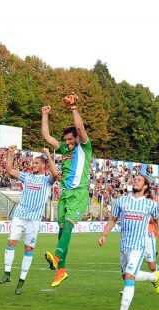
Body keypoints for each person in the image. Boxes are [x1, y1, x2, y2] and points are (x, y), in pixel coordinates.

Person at [41, 96, 93, 287]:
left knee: (68, 226)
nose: (68, 143)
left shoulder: (85, 148)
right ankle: (61, 271)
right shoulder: (64, 149)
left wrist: (73, 107)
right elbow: (47, 137)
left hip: (78, 193)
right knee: (62, 231)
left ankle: (56, 258)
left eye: (71, 139)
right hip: (64, 193)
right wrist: (45, 115)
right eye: (66, 140)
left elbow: (80, 128)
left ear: (78, 138)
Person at [98, 174, 159, 310]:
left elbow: (156, 219)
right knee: (127, 276)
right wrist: (104, 235)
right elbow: (113, 219)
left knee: (129, 277)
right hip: (124, 245)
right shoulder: (121, 201)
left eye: (139, 180)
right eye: (134, 179)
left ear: (145, 186)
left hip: (138, 246)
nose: (135, 181)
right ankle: (153, 277)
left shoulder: (150, 204)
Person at [1, 146, 59, 295]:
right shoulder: (27, 176)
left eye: (36, 163)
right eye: (32, 163)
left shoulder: (47, 180)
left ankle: (21, 281)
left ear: (44, 166)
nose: (33, 165)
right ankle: (7, 273)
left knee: (28, 249)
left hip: (34, 220)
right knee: (11, 242)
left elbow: (56, 174)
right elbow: (9, 170)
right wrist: (10, 154)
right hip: (20, 215)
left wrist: (47, 154)